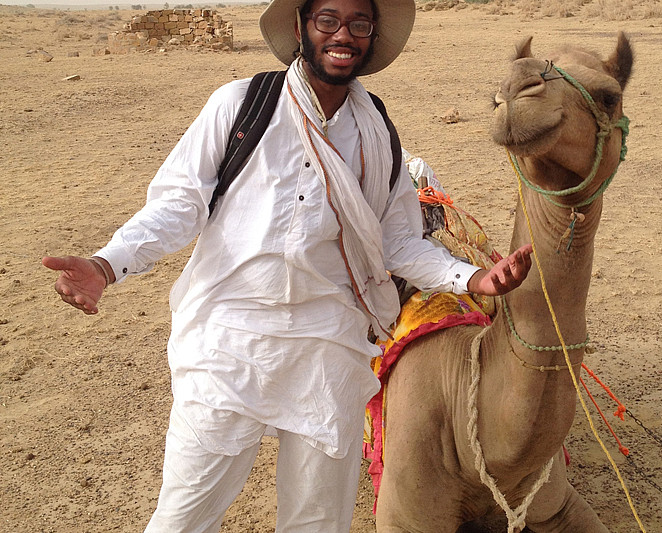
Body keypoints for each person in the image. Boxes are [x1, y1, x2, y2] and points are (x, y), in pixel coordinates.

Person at [42, 0, 534, 531]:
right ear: (301, 26)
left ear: (371, 37)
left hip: (328, 346)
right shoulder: (241, 106)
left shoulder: (378, 135)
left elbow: (398, 244)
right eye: (328, 20)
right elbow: (179, 205)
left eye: (358, 24)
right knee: (183, 517)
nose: (342, 35)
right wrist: (107, 264)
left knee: (317, 521)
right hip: (228, 339)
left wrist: (473, 279)